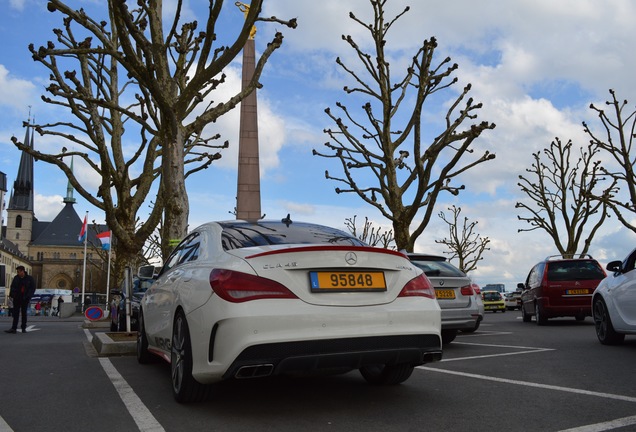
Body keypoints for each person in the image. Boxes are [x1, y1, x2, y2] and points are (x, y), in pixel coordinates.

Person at [5, 266, 36, 334]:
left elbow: (32, 288)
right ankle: (14, 328)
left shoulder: (29, 278)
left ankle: (23, 328)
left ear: (22, 271)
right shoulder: (16, 278)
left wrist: (28, 296)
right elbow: (12, 286)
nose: (18, 273)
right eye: (17, 272)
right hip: (17, 298)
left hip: (25, 298)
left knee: (24, 313)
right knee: (15, 313)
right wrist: (12, 295)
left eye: (19, 272)